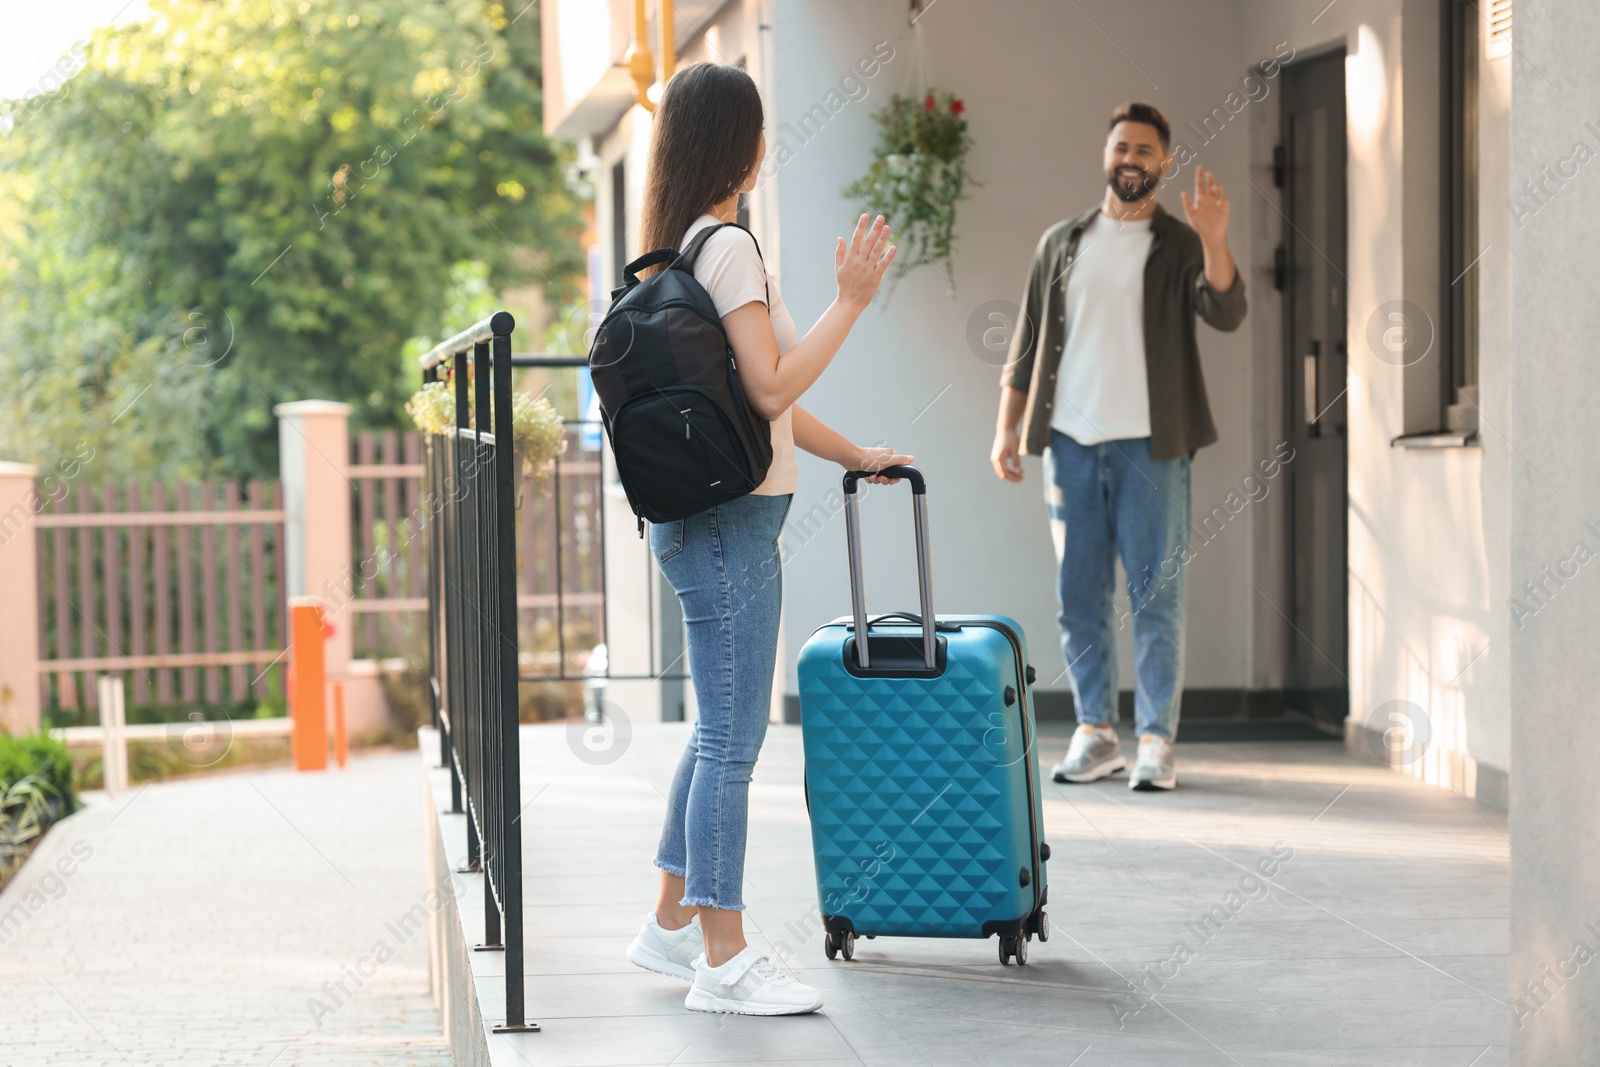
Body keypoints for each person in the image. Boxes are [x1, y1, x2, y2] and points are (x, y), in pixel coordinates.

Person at [623, 62, 906, 1016]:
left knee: (715, 729)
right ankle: (725, 956)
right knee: (734, 743)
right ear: (740, 146)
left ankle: (668, 928)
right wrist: (853, 299)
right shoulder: (731, 249)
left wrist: (852, 453)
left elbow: (767, 413)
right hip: (729, 531)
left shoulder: (676, 249)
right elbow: (771, 387)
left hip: (698, 523)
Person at [989, 102, 1246, 792]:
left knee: (1155, 594)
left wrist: (1216, 239)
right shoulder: (1063, 241)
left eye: (1145, 150)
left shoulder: (1181, 243)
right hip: (1070, 444)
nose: (1131, 158)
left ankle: (1157, 739)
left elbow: (1226, 311)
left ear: (1163, 163)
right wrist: (1006, 428)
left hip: (1153, 445)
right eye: (1121, 147)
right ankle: (1096, 732)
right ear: (1107, 155)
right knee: (1078, 595)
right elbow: (1026, 342)